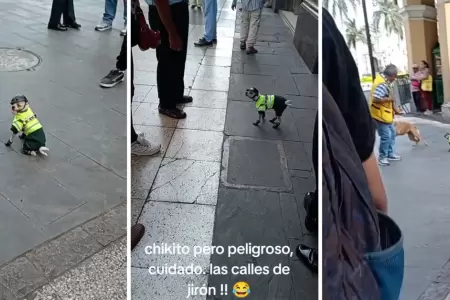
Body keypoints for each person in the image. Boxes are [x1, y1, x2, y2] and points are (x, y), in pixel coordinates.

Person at [146, 0, 192, 119]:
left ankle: (176, 94)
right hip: (165, 12)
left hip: (177, 8)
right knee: (167, 58)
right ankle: (166, 104)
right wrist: (172, 33)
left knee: (178, 55)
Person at [370, 65, 402, 166]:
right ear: (392, 75)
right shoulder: (382, 84)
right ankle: (382, 157)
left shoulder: (383, 81)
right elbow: (376, 99)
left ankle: (390, 153)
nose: (395, 79)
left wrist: (395, 109)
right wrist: (389, 99)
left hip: (385, 115)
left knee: (392, 133)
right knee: (386, 136)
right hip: (380, 115)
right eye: (395, 77)